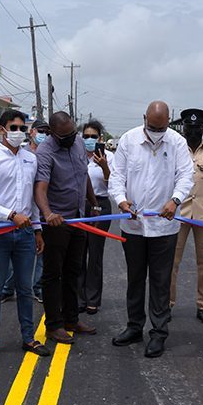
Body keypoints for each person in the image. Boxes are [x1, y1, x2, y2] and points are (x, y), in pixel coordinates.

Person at [109, 101, 194, 358]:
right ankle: (134, 326)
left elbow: (186, 176)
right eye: (152, 126)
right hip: (133, 226)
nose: (156, 132)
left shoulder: (177, 143)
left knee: (160, 281)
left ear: (168, 122)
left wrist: (175, 200)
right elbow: (116, 176)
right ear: (144, 118)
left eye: (161, 127)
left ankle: (158, 333)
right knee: (135, 279)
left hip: (164, 226)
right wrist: (121, 200)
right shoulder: (128, 140)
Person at [0, 110, 50, 361]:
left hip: (26, 232)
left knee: (25, 288)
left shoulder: (30, 159)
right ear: (2, 129)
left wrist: (37, 230)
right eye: (13, 127)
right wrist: (9, 215)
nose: (18, 132)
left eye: (22, 128)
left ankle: (28, 337)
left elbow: (33, 201)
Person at [34, 111, 100, 344]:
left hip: (78, 218)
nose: (71, 138)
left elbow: (84, 176)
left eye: (73, 133)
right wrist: (48, 214)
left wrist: (93, 203)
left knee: (74, 271)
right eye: (65, 136)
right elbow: (40, 188)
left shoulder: (79, 143)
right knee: (53, 274)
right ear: (52, 134)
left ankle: (72, 318)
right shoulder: (45, 152)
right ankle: (53, 325)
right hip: (57, 223)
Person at [169, 108, 203, 326]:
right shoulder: (174, 150)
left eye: (197, 128)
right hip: (179, 214)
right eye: (189, 128)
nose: (193, 132)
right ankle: (167, 303)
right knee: (171, 261)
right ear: (184, 129)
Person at [1, 119, 50, 303]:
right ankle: (7, 288)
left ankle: (37, 288)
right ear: (32, 132)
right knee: (14, 256)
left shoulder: (47, 154)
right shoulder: (23, 154)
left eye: (47, 131)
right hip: (16, 213)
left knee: (39, 252)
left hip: (41, 210)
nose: (44, 134)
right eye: (41, 130)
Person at [78, 120, 115, 315]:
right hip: (79, 206)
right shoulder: (77, 156)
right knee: (78, 252)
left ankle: (93, 299)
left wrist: (105, 168)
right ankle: (79, 298)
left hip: (100, 205)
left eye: (93, 136)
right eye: (86, 136)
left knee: (95, 253)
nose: (90, 140)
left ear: (100, 138)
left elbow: (114, 186)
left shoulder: (108, 157)